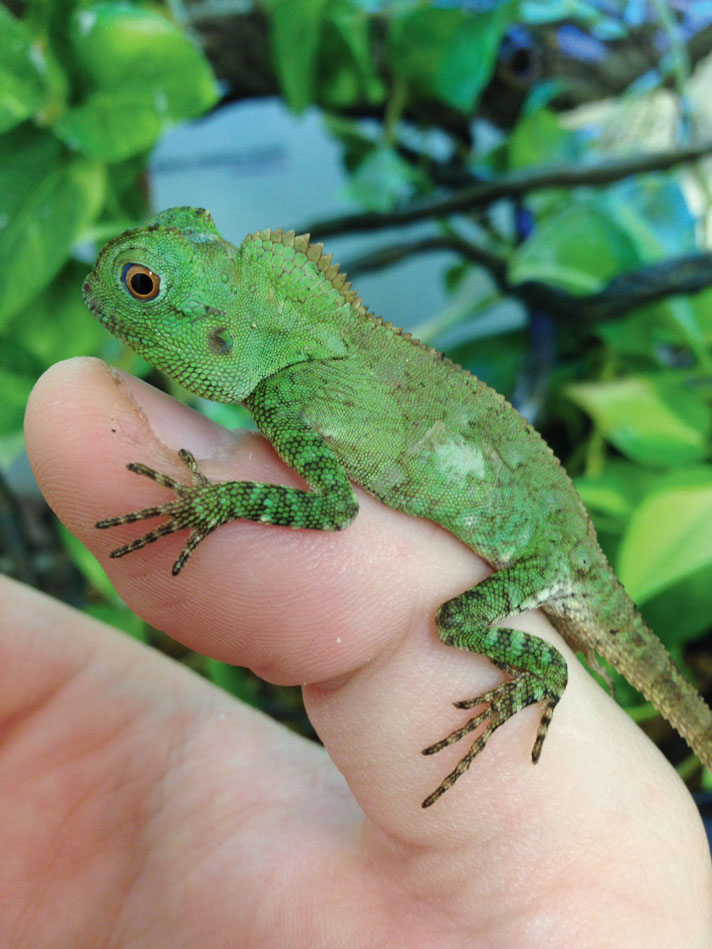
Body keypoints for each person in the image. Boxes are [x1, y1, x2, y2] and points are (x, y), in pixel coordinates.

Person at [3, 356, 710, 945]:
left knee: (460, 621)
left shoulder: (292, 391)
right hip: (543, 534)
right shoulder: (294, 384)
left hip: (543, 554)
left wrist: (217, 501)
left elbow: (332, 510)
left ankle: (544, 670)